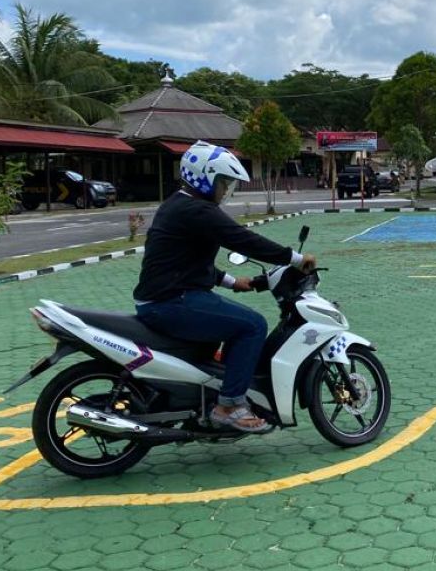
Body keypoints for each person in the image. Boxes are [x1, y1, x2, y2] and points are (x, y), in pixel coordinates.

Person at [133, 141, 317, 433]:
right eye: (223, 182)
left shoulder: (179, 204)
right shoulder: (198, 210)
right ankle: (229, 405)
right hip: (171, 301)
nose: (226, 189)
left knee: (233, 321)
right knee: (252, 325)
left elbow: (187, 260)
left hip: (165, 296)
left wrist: (232, 282)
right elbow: (241, 239)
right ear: (204, 178)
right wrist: (295, 259)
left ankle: (218, 390)